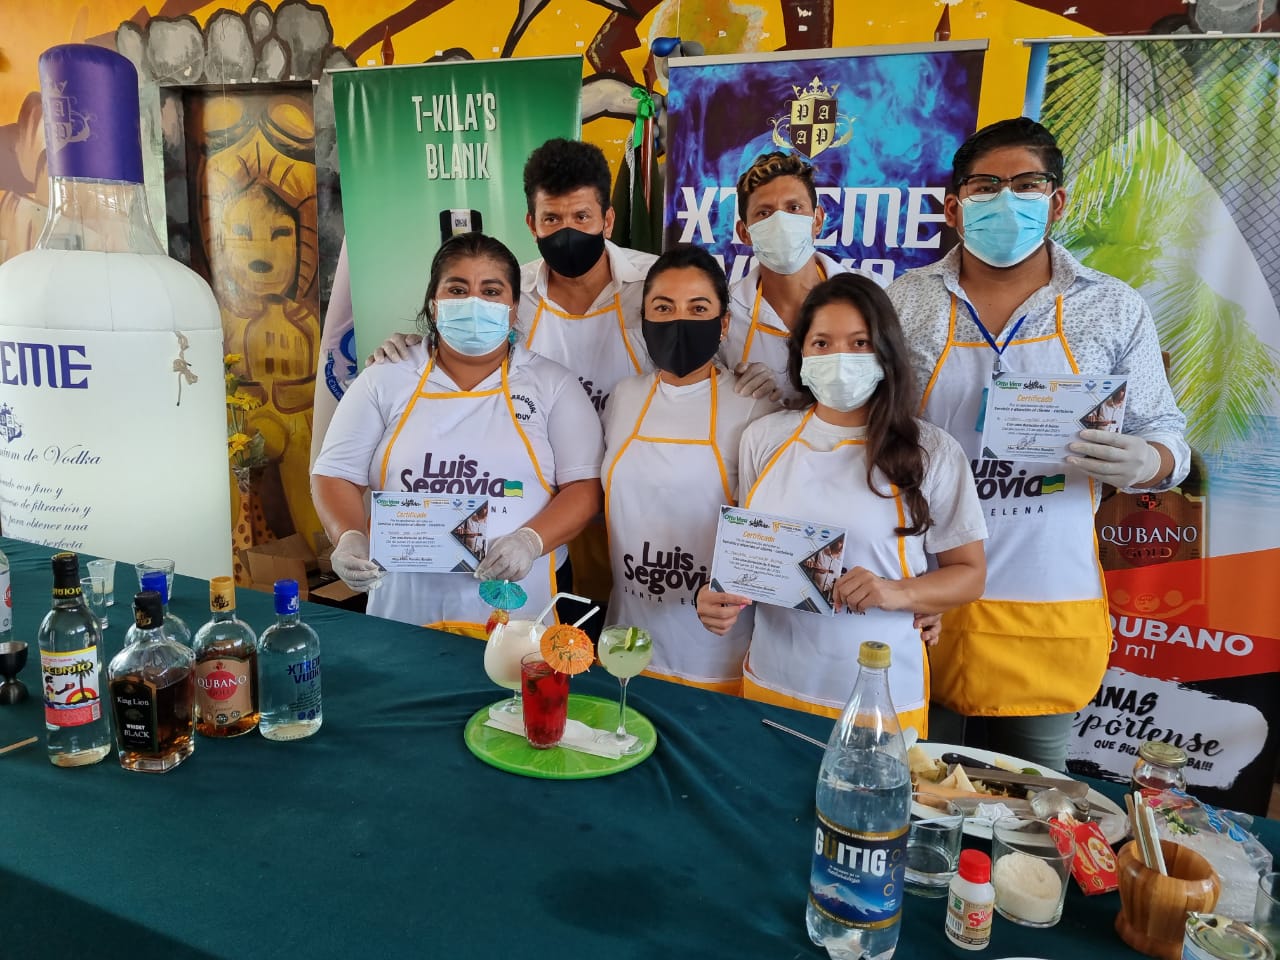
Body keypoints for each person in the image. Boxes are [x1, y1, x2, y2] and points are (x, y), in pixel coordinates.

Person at [887, 117, 1189, 769]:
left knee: (1038, 804)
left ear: (1057, 202)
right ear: (954, 207)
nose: (1006, 199)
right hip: (927, 591)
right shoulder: (906, 301)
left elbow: (1167, 436)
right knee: (921, 787)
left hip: (1048, 601)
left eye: (1026, 184)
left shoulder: (1113, 307)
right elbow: (874, 426)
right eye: (985, 186)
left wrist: (1147, 460)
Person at [697, 274, 987, 732]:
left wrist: (896, 593)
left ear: (886, 353)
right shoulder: (764, 438)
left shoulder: (931, 451)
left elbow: (970, 574)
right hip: (772, 681)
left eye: (859, 343)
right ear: (801, 355)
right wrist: (717, 597)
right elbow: (749, 551)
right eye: (822, 343)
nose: (839, 358)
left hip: (880, 698)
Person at [311, 233, 604, 632]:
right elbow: (335, 474)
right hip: (404, 615)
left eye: (491, 291)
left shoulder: (552, 385)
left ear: (514, 308)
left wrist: (530, 540)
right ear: (434, 304)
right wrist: (347, 536)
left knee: (511, 674)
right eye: (457, 289)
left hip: (518, 621)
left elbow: (584, 487)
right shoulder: (384, 379)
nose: (474, 302)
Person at [603, 245, 778, 692]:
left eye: (698, 308)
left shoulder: (754, 406)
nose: (679, 320)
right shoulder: (623, 397)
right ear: (643, 318)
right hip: (626, 639)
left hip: (714, 651)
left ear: (724, 323)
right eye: (663, 307)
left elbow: (770, 535)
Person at [720, 151, 851, 407]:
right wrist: (730, 389)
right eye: (764, 213)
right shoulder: (724, 313)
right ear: (744, 233)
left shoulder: (871, 295)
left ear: (817, 220)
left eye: (794, 208)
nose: (780, 222)